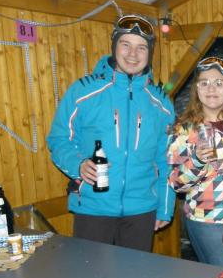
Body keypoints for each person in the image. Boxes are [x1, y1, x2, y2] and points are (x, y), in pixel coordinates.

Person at [47, 14, 175, 252]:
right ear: (114, 46)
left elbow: (167, 160)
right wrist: (78, 164)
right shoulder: (83, 91)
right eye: (125, 44)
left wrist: (165, 208)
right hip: (93, 207)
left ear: (150, 53)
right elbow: (59, 139)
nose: (132, 54)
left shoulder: (161, 103)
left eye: (141, 48)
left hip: (142, 210)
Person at [166, 56, 223, 269]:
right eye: (204, 83)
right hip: (207, 219)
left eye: (219, 83)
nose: (211, 88)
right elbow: (176, 183)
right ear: (197, 90)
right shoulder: (184, 129)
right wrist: (197, 161)